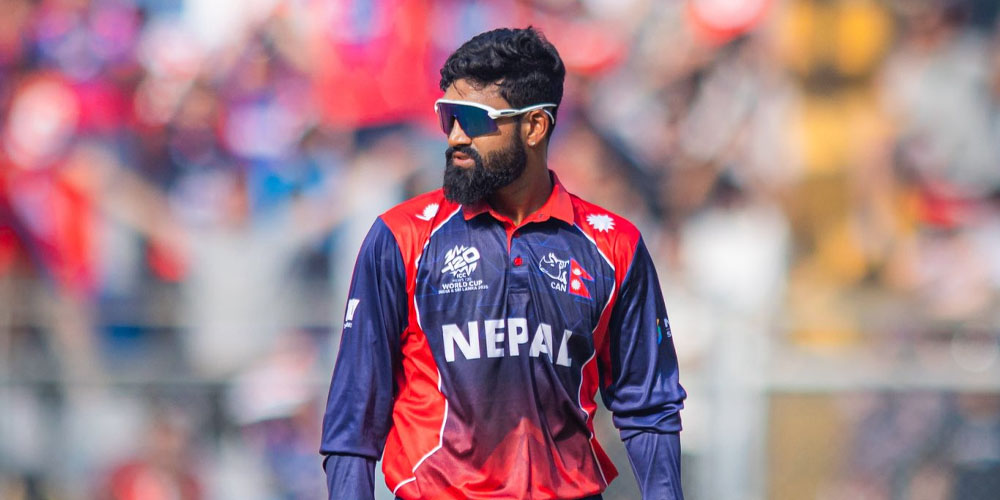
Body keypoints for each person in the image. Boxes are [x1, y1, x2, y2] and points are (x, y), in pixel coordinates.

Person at [320, 27, 686, 500]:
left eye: (472, 119)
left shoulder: (615, 245)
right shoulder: (401, 236)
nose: (455, 136)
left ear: (534, 126)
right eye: (448, 116)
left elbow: (649, 409)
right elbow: (354, 418)